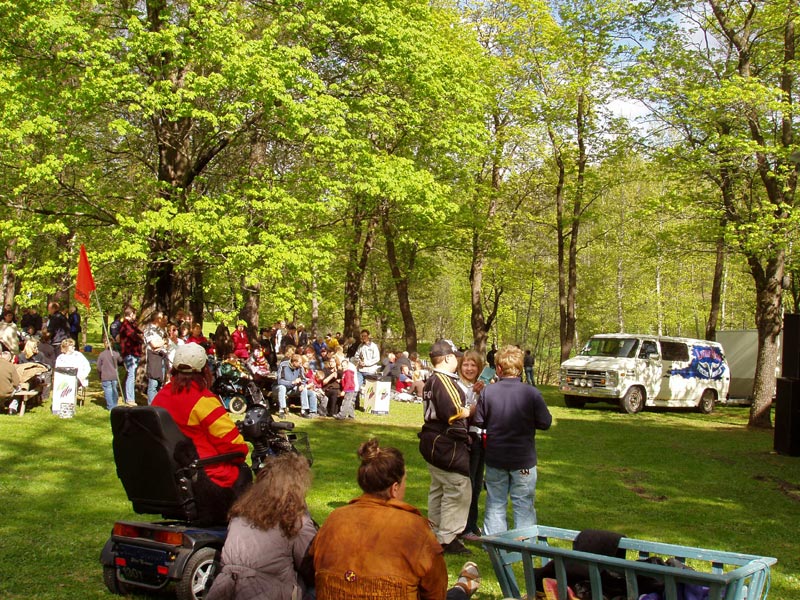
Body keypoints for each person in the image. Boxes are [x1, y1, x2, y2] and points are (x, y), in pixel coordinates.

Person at [310, 438, 481, 600]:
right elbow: (436, 593)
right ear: (395, 488)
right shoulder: (415, 529)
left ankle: (462, 588)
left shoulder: (334, 520)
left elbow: (313, 569)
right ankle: (462, 588)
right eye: (405, 480)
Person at [152, 343, 251, 525]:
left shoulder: (159, 398)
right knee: (243, 471)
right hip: (204, 478)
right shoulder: (203, 401)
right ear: (205, 370)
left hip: (170, 476)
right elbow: (235, 447)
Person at [206, 453, 316, 600]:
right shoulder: (295, 521)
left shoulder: (240, 513)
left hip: (224, 591)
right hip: (269, 593)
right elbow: (312, 567)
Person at [474, 345, 552, 536]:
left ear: (499, 369)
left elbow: (479, 420)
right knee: (523, 504)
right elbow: (545, 422)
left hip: (496, 456)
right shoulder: (531, 393)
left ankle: (495, 545)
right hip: (522, 458)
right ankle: (524, 545)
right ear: (520, 368)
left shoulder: (489, 392)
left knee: (495, 503)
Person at [418, 339, 472, 555]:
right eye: (455, 357)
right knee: (457, 489)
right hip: (446, 444)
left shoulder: (431, 380)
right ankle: (447, 538)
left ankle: (435, 532)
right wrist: (472, 409)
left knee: (439, 488)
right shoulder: (443, 380)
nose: (457, 361)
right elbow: (454, 412)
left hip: (433, 441)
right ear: (448, 358)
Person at [456, 350, 486, 543]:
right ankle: (464, 527)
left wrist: (484, 393)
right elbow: (462, 411)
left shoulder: (483, 386)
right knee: (468, 484)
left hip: (481, 438)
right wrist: (474, 395)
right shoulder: (457, 386)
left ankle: (472, 523)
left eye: (473, 365)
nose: (469, 368)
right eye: (466, 364)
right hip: (466, 439)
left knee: (477, 483)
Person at [275, 352, 316, 418]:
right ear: (294, 362)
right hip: (279, 388)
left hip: (292, 389)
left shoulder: (300, 367)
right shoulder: (283, 365)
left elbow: (303, 379)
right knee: (282, 387)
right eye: (299, 363)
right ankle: (281, 410)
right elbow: (279, 381)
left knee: (303, 388)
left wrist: (302, 384)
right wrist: (292, 382)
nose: (301, 365)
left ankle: (303, 411)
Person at [118, 306, 143, 405]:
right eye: (134, 314)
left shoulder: (132, 325)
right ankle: (130, 399)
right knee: (131, 375)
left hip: (135, 352)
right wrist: (140, 337)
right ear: (131, 314)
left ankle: (126, 396)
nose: (135, 316)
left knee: (131, 375)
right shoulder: (125, 325)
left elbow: (139, 332)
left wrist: (141, 334)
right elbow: (134, 336)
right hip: (129, 353)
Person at [143, 311, 168, 404]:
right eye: (161, 317)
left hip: (162, 357)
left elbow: (167, 343)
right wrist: (163, 342)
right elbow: (154, 345)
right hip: (154, 358)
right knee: (153, 383)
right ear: (157, 319)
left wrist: (163, 343)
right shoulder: (149, 330)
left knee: (160, 383)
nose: (163, 319)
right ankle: (151, 406)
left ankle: (157, 404)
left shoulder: (161, 330)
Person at [96, 340, 123, 410]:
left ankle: (111, 406)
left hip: (106, 376)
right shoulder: (115, 354)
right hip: (114, 376)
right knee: (114, 390)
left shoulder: (102, 354)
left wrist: (100, 374)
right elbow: (121, 361)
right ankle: (114, 405)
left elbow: (98, 367)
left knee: (109, 391)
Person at [0, 350, 21, 414]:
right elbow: (16, 383)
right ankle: (12, 408)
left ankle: (1, 406)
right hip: (5, 393)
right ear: (9, 359)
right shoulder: (10, 366)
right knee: (18, 388)